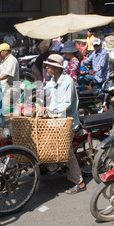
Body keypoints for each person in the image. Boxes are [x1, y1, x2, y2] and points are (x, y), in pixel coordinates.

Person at [42, 54, 85, 194]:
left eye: (49, 66)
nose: (47, 68)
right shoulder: (53, 80)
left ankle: (79, 181)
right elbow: (43, 92)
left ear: (56, 68)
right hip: (55, 119)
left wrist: (48, 110)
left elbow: (66, 105)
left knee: (65, 150)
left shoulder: (68, 82)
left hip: (67, 122)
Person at [0, 43, 19, 113]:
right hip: (4, 88)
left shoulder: (12, 60)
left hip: (10, 88)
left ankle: (7, 123)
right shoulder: (6, 60)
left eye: (0, 52)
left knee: (6, 109)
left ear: (5, 51)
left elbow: (7, 74)